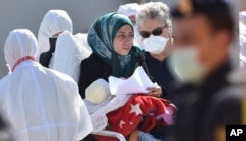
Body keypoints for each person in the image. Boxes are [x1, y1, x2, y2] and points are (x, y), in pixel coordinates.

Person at [0, 29, 92, 141]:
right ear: (35, 48)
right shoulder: (66, 81)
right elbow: (83, 127)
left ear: (8, 53)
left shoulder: (2, 88)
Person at [169, 0, 243, 141]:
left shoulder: (233, 104)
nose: (178, 49)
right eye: (175, 40)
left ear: (222, 41)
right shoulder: (188, 94)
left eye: (188, 39)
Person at [79, 12, 161, 99]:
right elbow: (85, 101)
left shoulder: (136, 57)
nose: (128, 40)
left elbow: (149, 84)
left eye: (131, 35)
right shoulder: (92, 65)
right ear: (107, 37)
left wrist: (159, 91)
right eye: (122, 35)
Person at [136, 2, 175, 99]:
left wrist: (164, 93)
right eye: (145, 34)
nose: (152, 38)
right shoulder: (136, 64)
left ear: (169, 28)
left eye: (157, 32)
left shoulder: (188, 54)